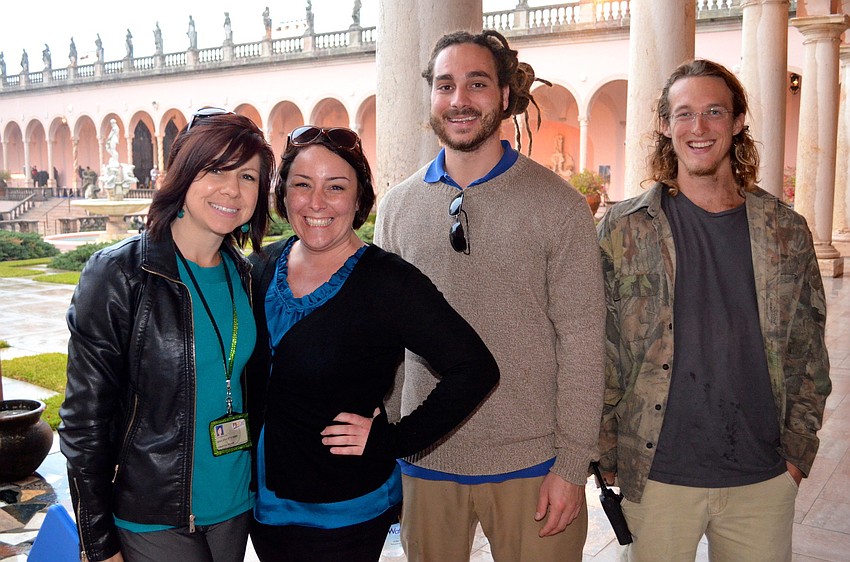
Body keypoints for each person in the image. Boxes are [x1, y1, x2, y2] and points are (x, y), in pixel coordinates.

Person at [375, 30, 605, 562]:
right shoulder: (398, 207)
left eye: (476, 84)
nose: (459, 99)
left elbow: (583, 344)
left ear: (504, 95)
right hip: (426, 460)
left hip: (533, 465)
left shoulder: (558, 206)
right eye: (445, 85)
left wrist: (573, 465)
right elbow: (387, 343)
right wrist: (387, 441)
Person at [596, 59, 831, 561]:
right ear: (665, 126)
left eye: (714, 112)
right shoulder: (623, 228)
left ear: (738, 121)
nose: (698, 128)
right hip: (656, 476)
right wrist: (606, 448)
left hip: (762, 479)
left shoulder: (785, 231)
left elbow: (808, 351)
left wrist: (796, 456)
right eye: (684, 114)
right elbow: (601, 348)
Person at [246, 125, 500, 562]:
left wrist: (393, 439)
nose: (317, 202)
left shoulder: (389, 282)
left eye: (335, 187)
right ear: (283, 195)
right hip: (261, 508)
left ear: (359, 197)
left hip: (343, 511)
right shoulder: (258, 267)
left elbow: (475, 368)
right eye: (302, 185)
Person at [59, 109, 275, 562]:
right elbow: (84, 422)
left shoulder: (246, 275)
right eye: (216, 170)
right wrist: (98, 544)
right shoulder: (119, 274)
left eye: (248, 176)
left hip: (234, 506)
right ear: (184, 174)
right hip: (153, 515)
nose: (232, 189)